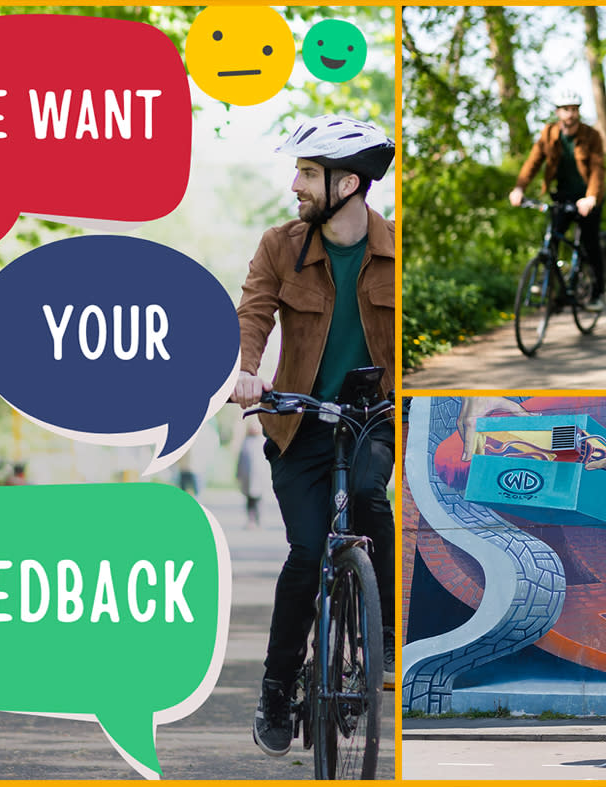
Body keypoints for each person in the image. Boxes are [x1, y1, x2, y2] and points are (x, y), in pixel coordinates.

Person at [230, 114, 396, 758]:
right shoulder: (280, 244)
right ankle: (277, 687)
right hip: (297, 423)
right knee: (306, 552)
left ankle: (379, 644)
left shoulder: (395, 249)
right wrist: (248, 371)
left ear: (348, 183)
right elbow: (255, 310)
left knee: (369, 502)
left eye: (307, 173)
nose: (295, 185)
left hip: (370, 420)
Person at [509, 85, 606, 312]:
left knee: (590, 244)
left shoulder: (591, 136)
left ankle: (597, 292)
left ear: (578, 112)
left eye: (574, 109)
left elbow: (597, 170)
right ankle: (551, 288)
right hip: (563, 196)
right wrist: (519, 188)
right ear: (558, 112)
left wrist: (591, 197)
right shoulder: (549, 134)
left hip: (587, 198)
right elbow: (533, 162)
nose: (570, 114)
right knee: (552, 239)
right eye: (565, 109)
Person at [236, 416, 269, 528]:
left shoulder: (263, 442)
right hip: (247, 478)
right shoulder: (246, 442)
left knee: (258, 500)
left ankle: (258, 520)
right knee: (249, 501)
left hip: (259, 477)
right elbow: (240, 461)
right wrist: (238, 475)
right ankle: (251, 520)